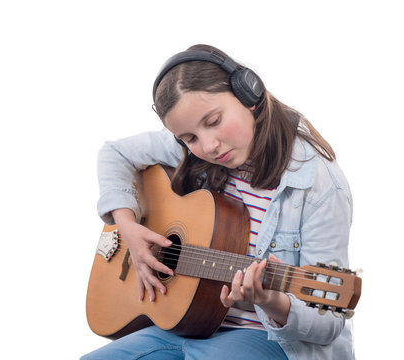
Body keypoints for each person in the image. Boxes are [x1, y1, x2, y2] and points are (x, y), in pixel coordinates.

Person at [82, 44, 355, 360]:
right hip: (188, 324)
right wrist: (128, 226)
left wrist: (270, 301)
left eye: (213, 121)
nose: (209, 145)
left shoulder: (318, 183)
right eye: (190, 138)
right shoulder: (191, 151)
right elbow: (114, 153)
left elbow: (329, 318)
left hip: (272, 340)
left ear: (248, 95)